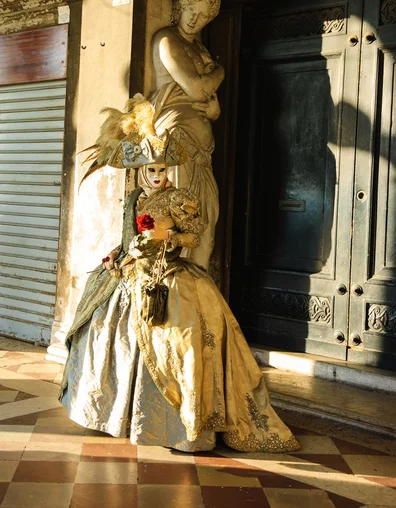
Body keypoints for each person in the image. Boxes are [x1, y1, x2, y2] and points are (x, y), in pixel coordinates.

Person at [59, 98, 299, 453]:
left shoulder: (180, 199)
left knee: (181, 342)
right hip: (128, 275)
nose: (157, 177)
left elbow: (194, 237)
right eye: (150, 171)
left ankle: (182, 425)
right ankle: (115, 415)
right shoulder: (135, 198)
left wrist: (166, 236)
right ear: (141, 171)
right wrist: (117, 252)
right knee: (99, 330)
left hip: (166, 275)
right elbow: (126, 237)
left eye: (161, 170)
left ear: (168, 169)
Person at [151, 0, 225, 270]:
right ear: (181, 7)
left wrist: (215, 112)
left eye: (204, 17)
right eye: (192, 11)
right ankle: (171, 292)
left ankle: (197, 296)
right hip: (177, 141)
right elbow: (196, 89)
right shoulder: (167, 39)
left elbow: (207, 97)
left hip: (201, 149)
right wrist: (220, 70)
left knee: (206, 224)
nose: (195, 19)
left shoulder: (200, 49)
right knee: (178, 221)